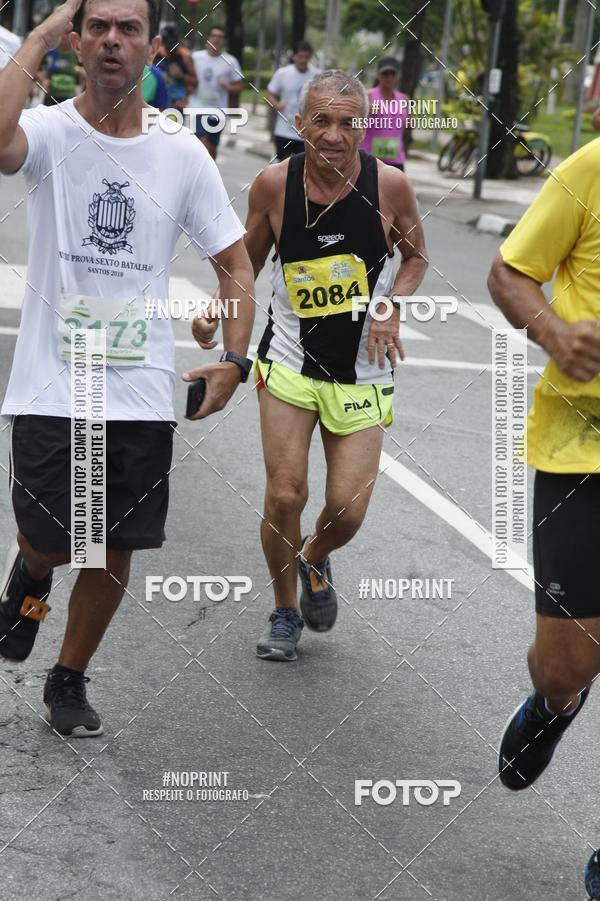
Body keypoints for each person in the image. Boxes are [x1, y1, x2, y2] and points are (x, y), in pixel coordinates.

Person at [0, 0, 254, 737]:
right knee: (50, 539)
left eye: (130, 28)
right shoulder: (49, 130)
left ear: (152, 45)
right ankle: (33, 577)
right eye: (99, 27)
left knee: (113, 547)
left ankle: (68, 676)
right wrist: (45, 28)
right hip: (53, 377)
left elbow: (234, 263)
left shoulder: (181, 154)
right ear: (80, 41)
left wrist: (234, 360)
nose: (114, 40)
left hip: (140, 388)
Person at [193, 70, 427, 661]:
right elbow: (242, 266)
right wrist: (213, 311)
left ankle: (315, 556)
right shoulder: (274, 186)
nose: (333, 134)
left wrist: (388, 306)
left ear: (364, 128)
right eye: (320, 120)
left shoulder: (390, 187)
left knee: (347, 509)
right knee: (285, 495)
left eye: (348, 122)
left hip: (362, 369)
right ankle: (284, 609)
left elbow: (417, 255)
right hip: (290, 361)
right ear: (299, 125)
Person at [488, 140, 600, 896]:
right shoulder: (590, 170)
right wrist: (556, 333)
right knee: (567, 661)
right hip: (580, 450)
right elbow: (508, 273)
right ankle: (557, 701)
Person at [190, 24, 244, 160]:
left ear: (223, 41)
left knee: (211, 146)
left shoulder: (230, 61)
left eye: (220, 37)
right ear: (208, 38)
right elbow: (186, 78)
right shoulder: (195, 57)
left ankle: (210, 172)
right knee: (200, 141)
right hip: (197, 107)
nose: (216, 39)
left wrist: (227, 86)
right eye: (214, 36)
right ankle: (197, 175)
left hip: (218, 111)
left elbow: (239, 86)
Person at [266, 40, 319, 161]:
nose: (303, 60)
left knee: (303, 167)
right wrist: (276, 104)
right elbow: (269, 93)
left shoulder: (317, 75)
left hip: (306, 132)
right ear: (294, 56)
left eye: (306, 57)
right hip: (284, 128)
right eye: (300, 56)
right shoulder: (283, 73)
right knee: (284, 165)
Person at [359, 57, 409, 171]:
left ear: (398, 76)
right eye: (385, 74)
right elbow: (356, 123)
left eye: (393, 74)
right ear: (378, 75)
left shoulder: (404, 99)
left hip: (396, 160)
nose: (389, 78)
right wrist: (368, 113)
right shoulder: (368, 96)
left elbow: (408, 126)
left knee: (396, 189)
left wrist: (409, 123)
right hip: (370, 159)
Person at [153, 23, 196, 112]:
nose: (171, 46)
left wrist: (181, 76)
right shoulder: (156, 54)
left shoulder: (185, 55)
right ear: (162, 41)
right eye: (168, 41)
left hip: (177, 106)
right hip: (156, 105)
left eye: (173, 42)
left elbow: (195, 83)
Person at [43, 33, 85, 104]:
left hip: (69, 96)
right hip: (52, 95)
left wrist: (79, 71)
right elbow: (42, 69)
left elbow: (84, 71)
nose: (64, 37)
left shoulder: (76, 52)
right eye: (63, 33)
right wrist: (44, 80)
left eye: (67, 34)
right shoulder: (51, 51)